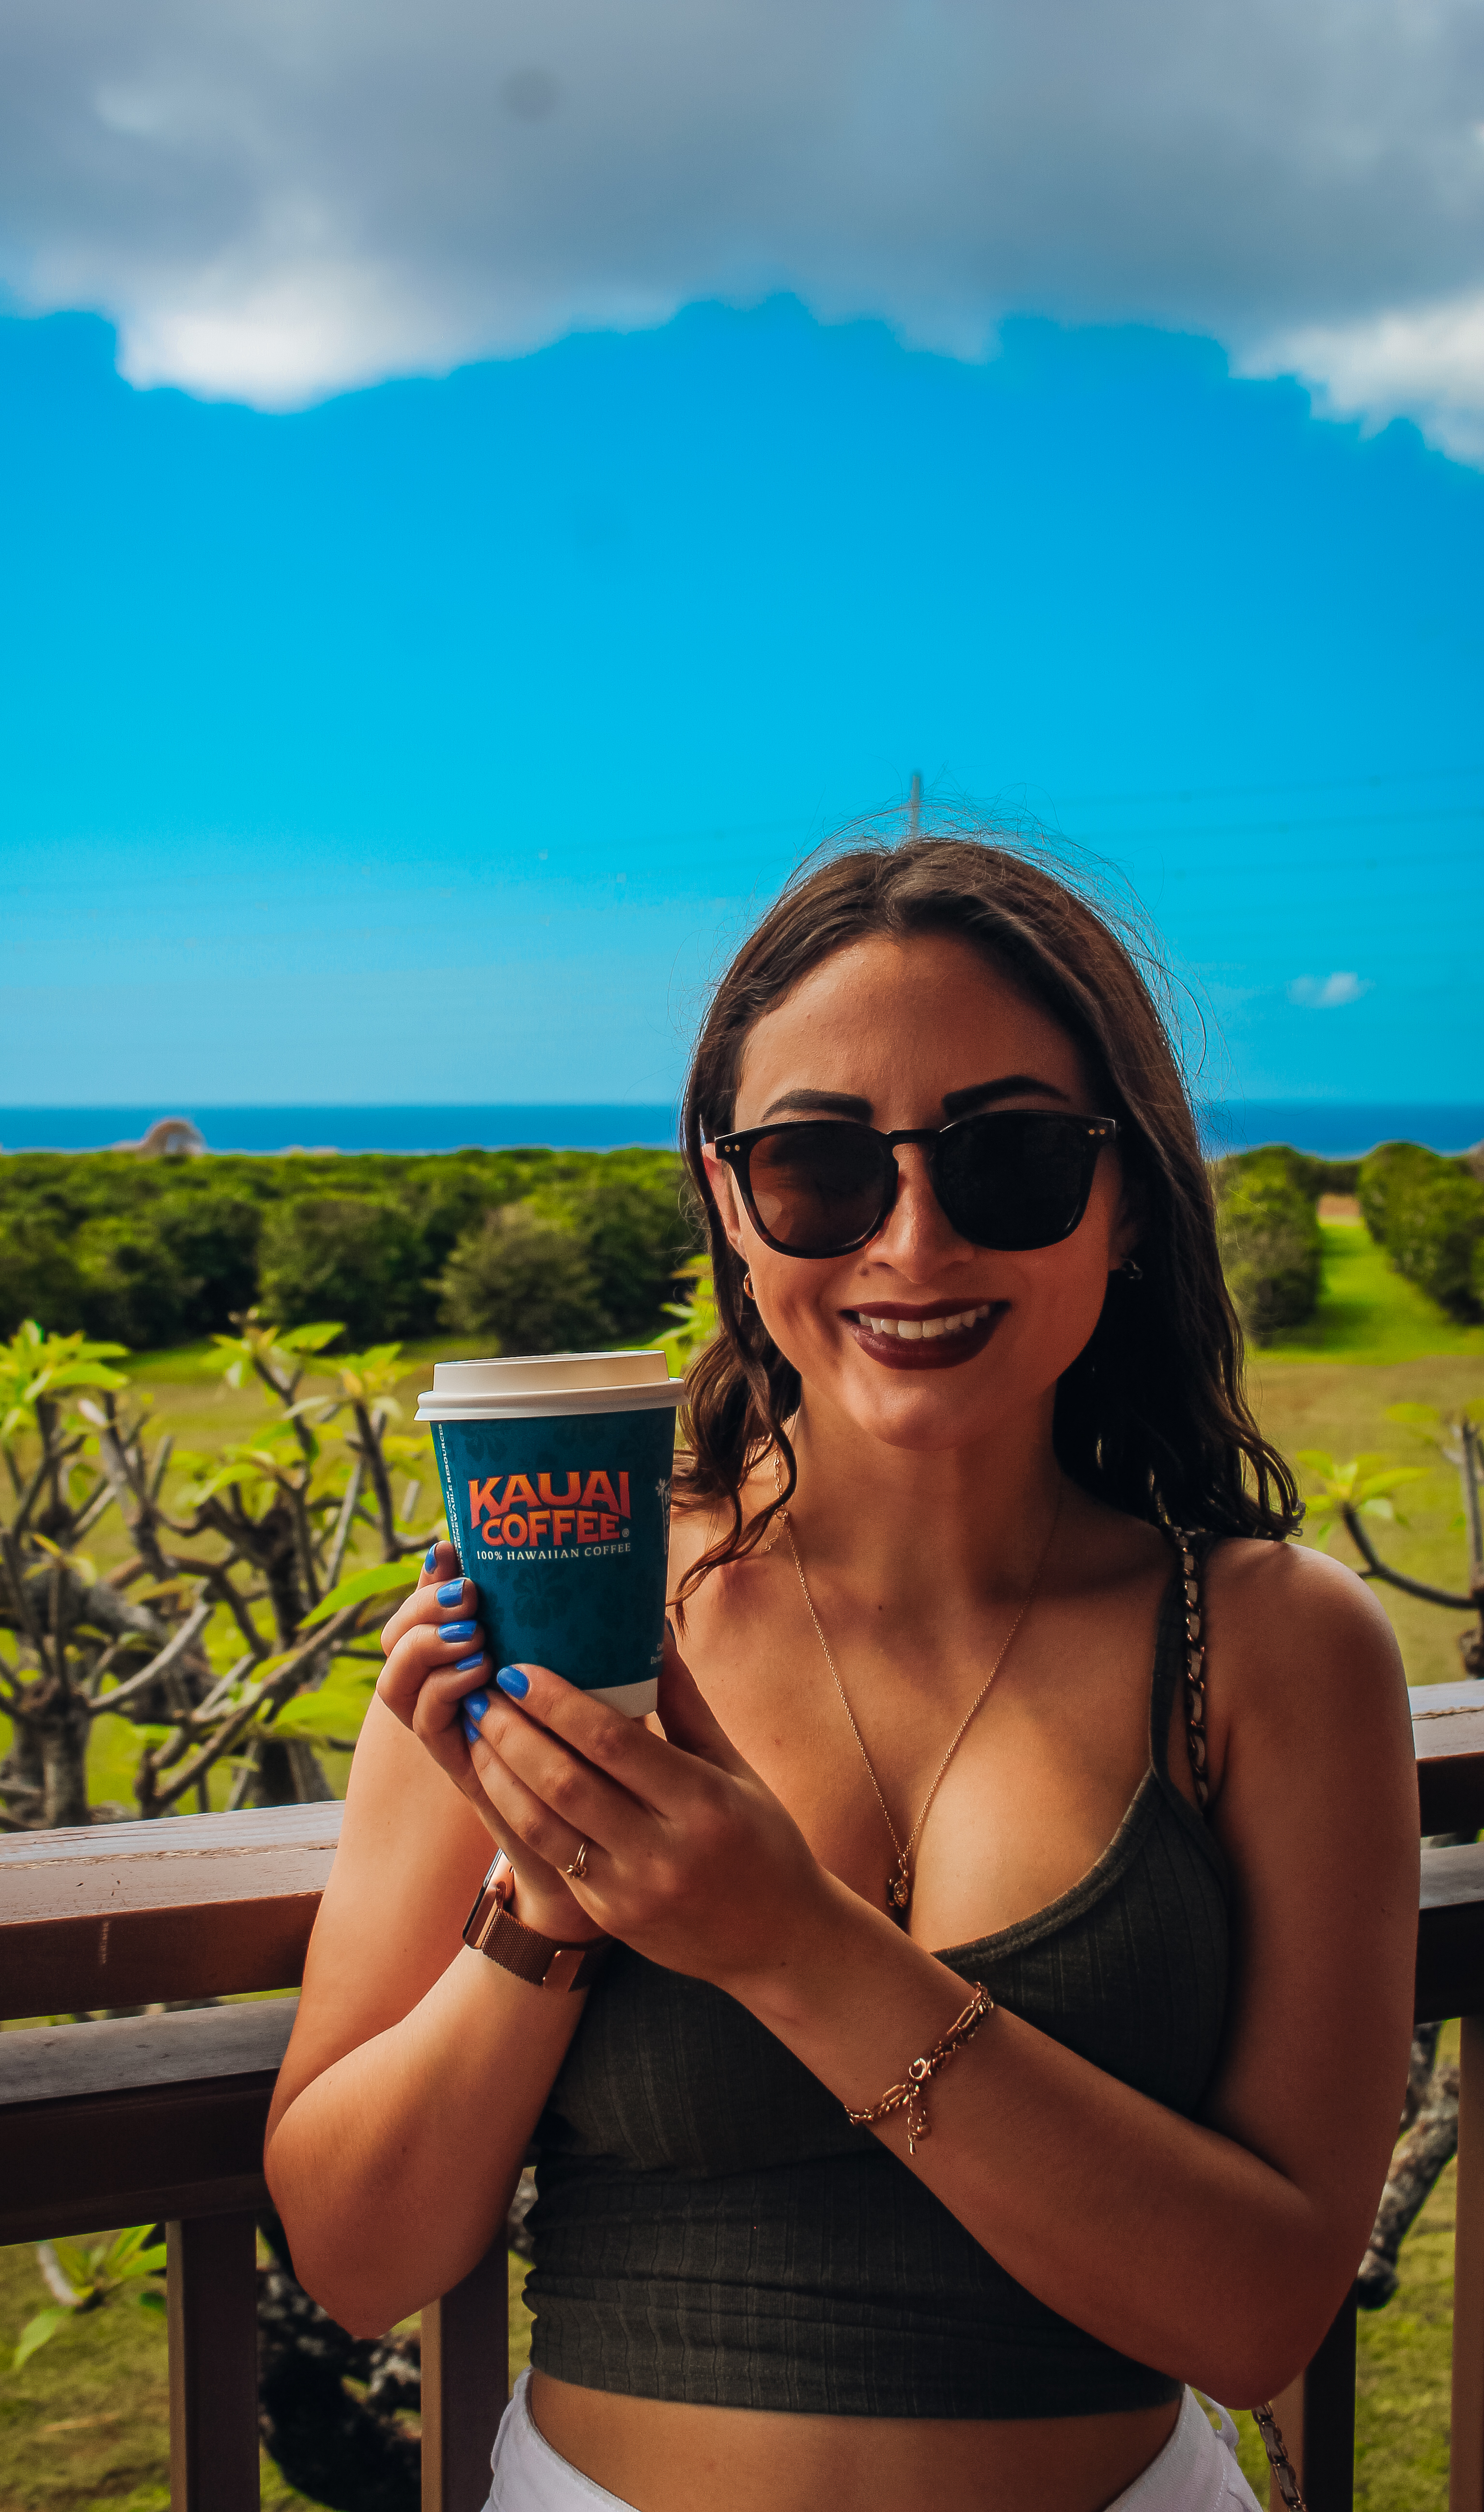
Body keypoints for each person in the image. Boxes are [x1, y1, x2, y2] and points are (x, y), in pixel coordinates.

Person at [266, 833, 1418, 2512]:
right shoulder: (566, 1610)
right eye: (822, 1166)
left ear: (1129, 1202)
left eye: (1010, 1159)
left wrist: (787, 1941)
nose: (915, 1238)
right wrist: (551, 1901)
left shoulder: (1267, 1647)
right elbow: (362, 2255)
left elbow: (1256, 2316)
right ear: (733, 1205)